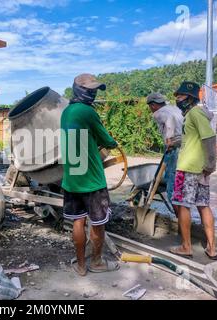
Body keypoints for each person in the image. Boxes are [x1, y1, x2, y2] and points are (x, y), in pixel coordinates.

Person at [61, 74, 120, 276]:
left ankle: (81, 266)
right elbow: (107, 139)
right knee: (98, 222)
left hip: (71, 179)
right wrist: (114, 143)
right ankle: (96, 261)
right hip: (92, 180)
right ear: (80, 90)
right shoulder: (88, 112)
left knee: (78, 221)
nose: (93, 93)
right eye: (91, 90)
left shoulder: (66, 112)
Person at [170, 81, 217, 260]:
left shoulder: (195, 113)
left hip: (188, 168)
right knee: (203, 205)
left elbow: (209, 137)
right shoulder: (193, 114)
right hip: (199, 169)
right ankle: (212, 249)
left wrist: (211, 164)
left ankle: (186, 246)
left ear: (189, 98)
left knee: (183, 206)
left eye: (180, 96)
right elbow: (193, 139)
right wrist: (175, 142)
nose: (177, 99)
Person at [147, 93, 184, 217]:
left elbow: (169, 123)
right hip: (185, 146)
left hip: (173, 147)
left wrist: (169, 140)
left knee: (171, 187)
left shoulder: (158, 113)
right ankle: (182, 216)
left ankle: (180, 219)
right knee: (179, 181)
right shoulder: (175, 108)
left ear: (153, 105)